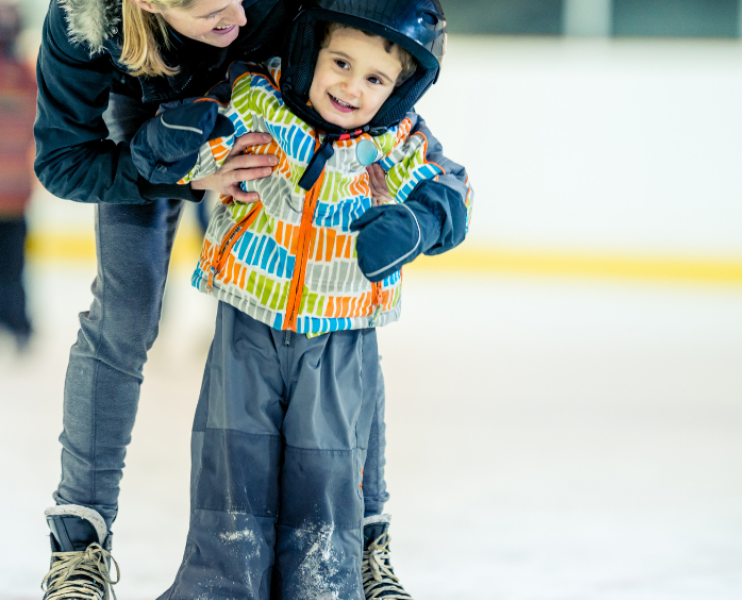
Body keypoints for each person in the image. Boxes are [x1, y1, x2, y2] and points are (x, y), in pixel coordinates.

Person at [33, 0, 468, 598]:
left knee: (340, 323)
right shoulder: (83, 26)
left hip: (267, 95)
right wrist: (179, 171)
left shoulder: (262, 10)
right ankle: (79, 543)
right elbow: (63, 162)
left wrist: (424, 208)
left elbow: (378, 64)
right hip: (149, 127)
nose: (238, 12)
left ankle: (366, 541)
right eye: (214, 10)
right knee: (123, 318)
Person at [0, 1, 35, 352]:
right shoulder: (24, 75)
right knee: (12, 266)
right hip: (15, 190)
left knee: (13, 266)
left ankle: (19, 324)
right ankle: (18, 325)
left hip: (14, 192)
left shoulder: (25, 75)